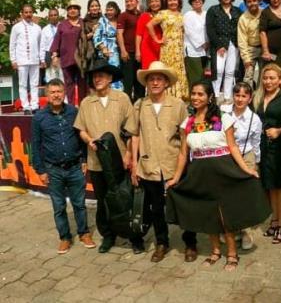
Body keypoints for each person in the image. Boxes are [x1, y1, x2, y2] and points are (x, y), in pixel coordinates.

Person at [165, 81, 270, 272]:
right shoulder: (187, 123)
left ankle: (232, 253)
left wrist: (246, 170)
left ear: (209, 97)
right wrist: (176, 177)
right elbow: (182, 153)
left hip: (223, 170)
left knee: (225, 213)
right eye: (193, 94)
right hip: (199, 172)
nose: (196, 98)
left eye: (200, 94)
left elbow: (232, 146)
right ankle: (215, 251)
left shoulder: (223, 119)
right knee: (208, 212)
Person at [125, 61, 193, 262]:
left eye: (159, 79)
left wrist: (184, 163)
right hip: (149, 165)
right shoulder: (140, 105)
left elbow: (184, 136)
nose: (155, 82)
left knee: (183, 206)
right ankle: (162, 242)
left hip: (173, 164)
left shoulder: (178, 105)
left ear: (166, 83)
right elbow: (135, 135)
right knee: (156, 208)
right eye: (151, 79)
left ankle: (190, 242)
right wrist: (134, 164)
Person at [73, 60, 138, 253]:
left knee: (126, 199)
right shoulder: (86, 102)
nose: (98, 79)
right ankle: (108, 236)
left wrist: (128, 154)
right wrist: (89, 140)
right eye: (95, 76)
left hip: (119, 161)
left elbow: (130, 129)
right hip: (96, 161)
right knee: (103, 202)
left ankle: (134, 236)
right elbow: (81, 129)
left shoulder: (123, 98)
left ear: (110, 78)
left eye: (102, 75)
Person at [31, 78, 96, 254]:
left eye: (59, 91)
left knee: (79, 204)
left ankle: (84, 233)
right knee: (59, 207)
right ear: (47, 95)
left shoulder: (74, 112)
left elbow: (81, 135)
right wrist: (41, 171)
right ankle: (65, 238)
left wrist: (83, 160)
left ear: (64, 93)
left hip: (75, 166)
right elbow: (35, 146)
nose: (56, 95)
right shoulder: (39, 118)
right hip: (53, 169)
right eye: (52, 92)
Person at [224, 82, 263, 250]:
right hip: (227, 154)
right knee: (229, 193)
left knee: (244, 194)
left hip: (246, 155)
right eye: (237, 95)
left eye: (243, 96)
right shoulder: (224, 112)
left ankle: (246, 230)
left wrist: (255, 163)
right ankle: (232, 229)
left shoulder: (254, 119)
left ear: (250, 98)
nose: (240, 99)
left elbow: (256, 143)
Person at [254, 63, 281, 244]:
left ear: (280, 80)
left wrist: (280, 130)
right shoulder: (258, 97)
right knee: (270, 185)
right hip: (263, 146)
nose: (268, 81)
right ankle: (274, 220)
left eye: (272, 78)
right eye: (265, 77)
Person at [147, 0, 188, 100]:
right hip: (168, 48)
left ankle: (179, 97)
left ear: (178, 1)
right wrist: (157, 39)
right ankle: (168, 96)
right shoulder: (163, 13)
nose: (172, 2)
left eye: (174, 0)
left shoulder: (181, 15)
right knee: (168, 72)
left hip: (179, 49)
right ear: (167, 2)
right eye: (170, 0)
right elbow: (149, 25)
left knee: (178, 72)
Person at [207, 0, 242, 103]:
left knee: (230, 71)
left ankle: (227, 97)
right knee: (218, 70)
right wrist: (218, 45)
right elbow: (210, 29)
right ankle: (216, 96)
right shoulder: (213, 10)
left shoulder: (237, 10)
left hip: (233, 44)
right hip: (219, 44)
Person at [50, 1, 87, 104]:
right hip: (67, 59)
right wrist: (54, 55)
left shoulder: (83, 22)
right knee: (69, 84)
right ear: (67, 11)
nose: (72, 10)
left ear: (79, 10)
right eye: (70, 8)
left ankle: (82, 107)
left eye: (75, 8)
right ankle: (70, 107)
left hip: (81, 59)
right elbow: (57, 40)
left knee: (83, 84)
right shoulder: (62, 25)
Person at [9, 4, 44, 113]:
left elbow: (40, 45)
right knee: (23, 84)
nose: (28, 14)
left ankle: (34, 105)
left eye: (30, 12)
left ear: (32, 13)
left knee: (34, 84)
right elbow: (12, 44)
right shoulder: (16, 27)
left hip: (34, 60)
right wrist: (13, 60)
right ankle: (26, 106)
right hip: (22, 60)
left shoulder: (37, 28)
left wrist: (42, 59)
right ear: (22, 13)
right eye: (26, 12)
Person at [117, 0, 143, 101]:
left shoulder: (142, 15)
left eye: (131, 1)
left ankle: (139, 105)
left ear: (137, 2)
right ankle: (127, 107)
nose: (129, 3)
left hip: (140, 53)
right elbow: (119, 34)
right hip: (128, 53)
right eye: (127, 1)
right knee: (128, 81)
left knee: (140, 82)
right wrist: (123, 50)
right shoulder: (123, 16)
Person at [93, 1, 123, 91]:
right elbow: (96, 36)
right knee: (106, 74)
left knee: (117, 74)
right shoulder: (102, 20)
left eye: (111, 10)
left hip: (118, 52)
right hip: (106, 53)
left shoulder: (119, 20)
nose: (109, 12)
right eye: (107, 10)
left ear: (116, 10)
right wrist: (103, 48)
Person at [184, 0, 209, 87]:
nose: (197, 1)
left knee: (205, 77)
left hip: (206, 50)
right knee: (196, 78)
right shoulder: (188, 15)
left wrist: (208, 43)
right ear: (191, 2)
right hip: (193, 51)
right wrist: (202, 44)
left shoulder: (206, 14)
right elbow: (190, 32)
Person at [238, 0, 262, 86]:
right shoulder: (243, 19)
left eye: (254, 0)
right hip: (250, 49)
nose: (252, 3)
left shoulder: (264, 13)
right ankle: (248, 99)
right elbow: (242, 40)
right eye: (249, 1)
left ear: (258, 1)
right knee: (248, 77)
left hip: (264, 48)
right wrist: (246, 59)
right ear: (246, 3)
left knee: (265, 75)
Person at [136, 0, 163, 70]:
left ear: (161, 3)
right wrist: (138, 51)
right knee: (148, 72)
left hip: (161, 49)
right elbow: (139, 35)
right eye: (152, 2)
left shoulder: (164, 16)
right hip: (148, 48)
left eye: (157, 1)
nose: (154, 4)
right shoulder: (144, 16)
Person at [40, 8, 63, 84]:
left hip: (62, 54)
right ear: (49, 17)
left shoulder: (63, 27)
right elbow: (42, 46)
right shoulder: (45, 30)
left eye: (55, 15)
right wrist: (42, 60)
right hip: (49, 55)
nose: (53, 17)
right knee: (50, 78)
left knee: (62, 77)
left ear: (58, 16)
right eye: (51, 15)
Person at [81, 0, 102, 71]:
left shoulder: (104, 20)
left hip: (103, 51)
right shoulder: (84, 22)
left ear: (99, 7)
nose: (94, 8)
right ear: (88, 9)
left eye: (96, 6)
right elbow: (82, 38)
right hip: (90, 52)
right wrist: (93, 33)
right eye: (92, 6)